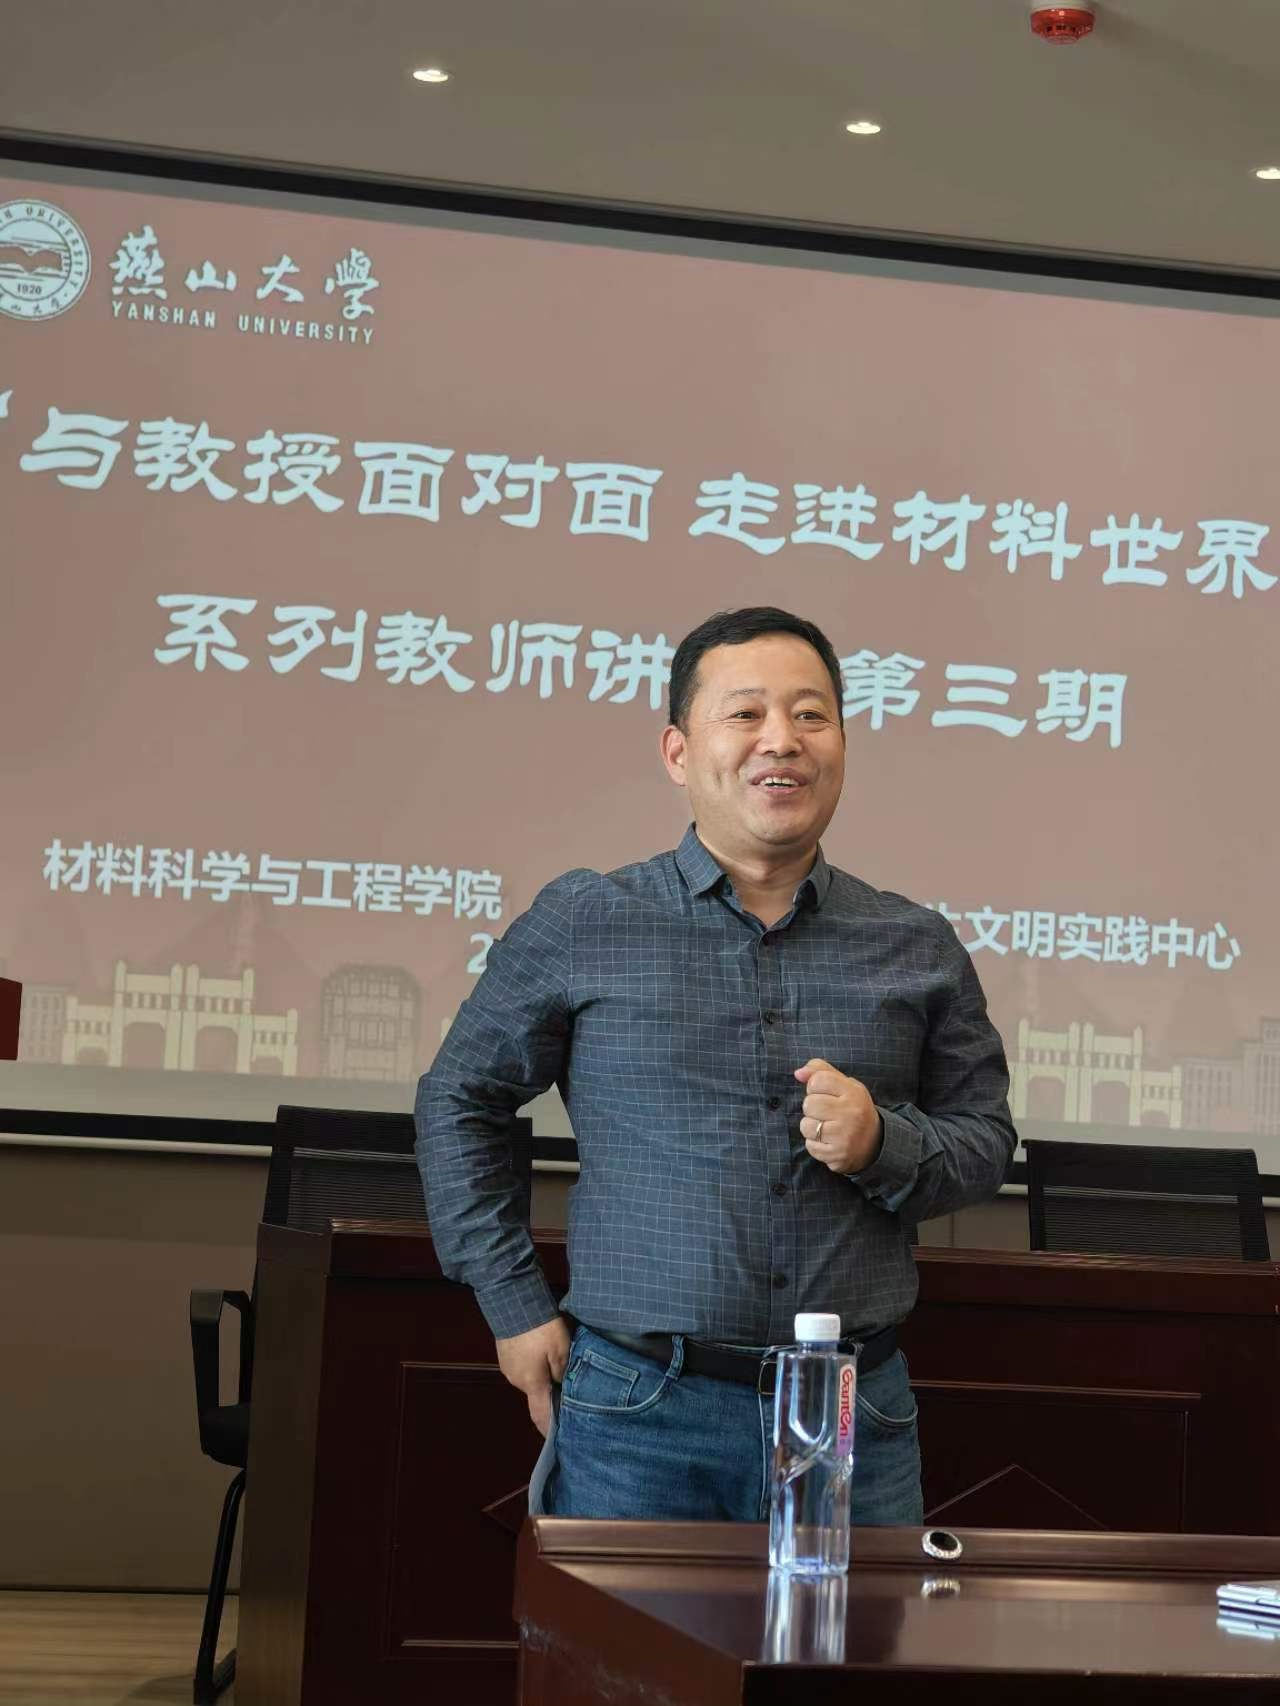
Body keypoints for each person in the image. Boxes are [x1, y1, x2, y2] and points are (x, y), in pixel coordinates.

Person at [416, 606, 1016, 1525]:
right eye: (745, 714)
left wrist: (882, 1144)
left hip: (850, 1411)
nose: (783, 739)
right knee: (622, 1632)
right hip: (642, 1409)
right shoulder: (589, 919)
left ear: (842, 747)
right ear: (678, 751)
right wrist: (512, 1303)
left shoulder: (914, 944)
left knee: (847, 1629)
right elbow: (460, 1099)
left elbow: (985, 1142)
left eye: (811, 716)